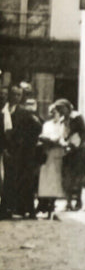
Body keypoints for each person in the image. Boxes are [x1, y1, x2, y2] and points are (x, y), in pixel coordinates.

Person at [0, 85, 42, 219]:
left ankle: (25, 209)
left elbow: (37, 127)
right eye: (14, 94)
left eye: (19, 95)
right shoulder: (3, 111)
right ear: (9, 95)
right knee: (7, 180)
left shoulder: (24, 112)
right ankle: (6, 209)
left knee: (23, 179)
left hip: (21, 152)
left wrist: (26, 143)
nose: (16, 97)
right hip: (6, 150)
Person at [55, 99, 85, 211]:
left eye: (62, 108)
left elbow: (84, 133)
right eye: (59, 109)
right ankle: (68, 201)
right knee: (67, 177)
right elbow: (61, 133)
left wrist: (75, 142)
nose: (61, 111)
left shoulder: (76, 117)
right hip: (67, 151)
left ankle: (78, 201)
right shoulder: (62, 120)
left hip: (79, 150)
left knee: (78, 177)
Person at [36, 103, 65, 219]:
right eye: (52, 112)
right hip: (48, 154)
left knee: (56, 180)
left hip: (58, 154)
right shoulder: (47, 124)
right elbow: (43, 136)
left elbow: (63, 137)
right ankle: (45, 204)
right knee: (46, 180)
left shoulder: (62, 125)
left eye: (56, 112)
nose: (53, 114)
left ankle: (52, 205)